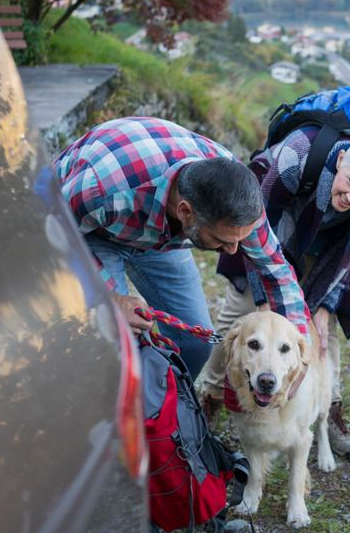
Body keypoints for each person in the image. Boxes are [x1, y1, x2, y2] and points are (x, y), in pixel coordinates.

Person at [54, 116, 311, 382]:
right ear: (185, 211)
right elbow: (49, 237)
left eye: (238, 239)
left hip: (160, 233)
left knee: (196, 343)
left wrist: (300, 351)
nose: (233, 251)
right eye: (221, 240)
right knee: (114, 339)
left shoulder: (236, 195)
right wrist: (109, 300)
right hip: (87, 230)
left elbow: (276, 270)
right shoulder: (99, 188)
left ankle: (168, 412)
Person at [202, 128, 350, 460]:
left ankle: (326, 406)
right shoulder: (294, 157)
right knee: (241, 316)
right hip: (269, 234)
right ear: (341, 160)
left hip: (328, 251)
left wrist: (325, 306)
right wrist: (264, 302)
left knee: (323, 331)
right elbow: (254, 229)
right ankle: (211, 396)